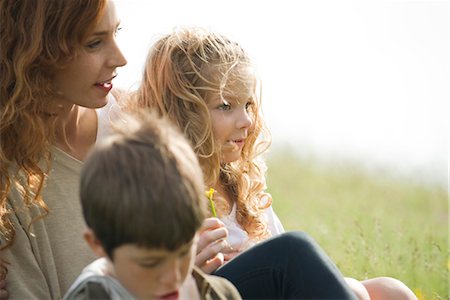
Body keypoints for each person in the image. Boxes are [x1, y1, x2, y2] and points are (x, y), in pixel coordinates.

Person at [130, 27, 417, 300]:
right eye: (226, 106)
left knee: (390, 291)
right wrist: (185, 271)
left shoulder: (238, 186)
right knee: (294, 251)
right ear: (184, 112)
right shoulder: (156, 192)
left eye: (248, 105)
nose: (247, 121)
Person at [0, 0, 126, 298]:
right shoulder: (8, 174)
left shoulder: (130, 124)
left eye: (116, 33)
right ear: (37, 50)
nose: (120, 59)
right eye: (94, 43)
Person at [64, 111, 241, 299]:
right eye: (151, 263)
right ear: (98, 243)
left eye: (183, 253)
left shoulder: (218, 294)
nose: (173, 278)